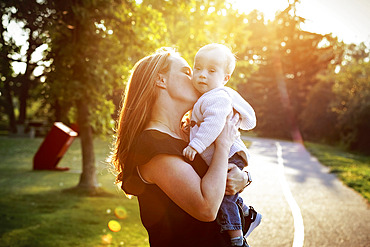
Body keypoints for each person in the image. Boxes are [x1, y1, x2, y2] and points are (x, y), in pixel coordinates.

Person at [111, 47, 253, 247]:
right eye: (188, 71)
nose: (197, 76)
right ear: (161, 80)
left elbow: (221, 176)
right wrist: (223, 145)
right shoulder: (154, 146)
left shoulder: (189, 135)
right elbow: (206, 208)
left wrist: (244, 178)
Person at [183, 43, 261, 247]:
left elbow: (214, 123)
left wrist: (196, 145)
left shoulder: (217, 97)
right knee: (226, 191)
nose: (201, 75)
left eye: (211, 71)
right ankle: (245, 212)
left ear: (225, 78)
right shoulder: (206, 97)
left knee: (223, 197)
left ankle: (237, 238)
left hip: (229, 154)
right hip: (224, 153)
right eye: (197, 68)